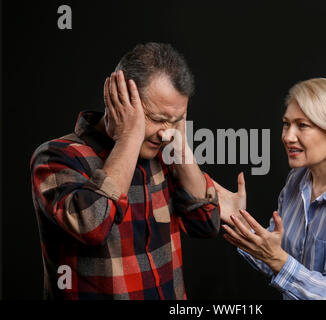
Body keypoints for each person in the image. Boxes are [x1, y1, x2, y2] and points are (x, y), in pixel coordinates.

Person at [30, 43, 220, 300]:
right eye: (156, 118)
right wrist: (130, 136)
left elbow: (206, 223)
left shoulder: (165, 152)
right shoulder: (57, 156)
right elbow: (92, 225)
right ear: (118, 100)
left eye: (175, 120)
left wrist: (181, 143)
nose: (166, 133)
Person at [214, 78, 326, 299]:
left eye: (302, 125)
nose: (288, 136)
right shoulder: (297, 180)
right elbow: (275, 256)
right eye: (286, 124)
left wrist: (277, 260)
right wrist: (240, 222)